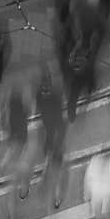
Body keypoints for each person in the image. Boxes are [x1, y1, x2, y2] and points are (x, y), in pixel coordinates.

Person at [36, 66, 68, 208]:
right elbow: (60, 116)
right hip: (55, 136)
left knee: (49, 165)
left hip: (50, 135)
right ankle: (56, 197)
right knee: (58, 169)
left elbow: (41, 113)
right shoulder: (56, 95)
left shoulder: (40, 95)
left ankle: (44, 184)